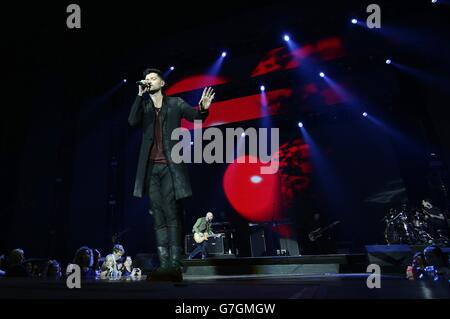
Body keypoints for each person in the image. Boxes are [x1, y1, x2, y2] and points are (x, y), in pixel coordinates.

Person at [128, 68, 214, 281]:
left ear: (162, 83)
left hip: (170, 167)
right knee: (158, 217)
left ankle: (175, 265)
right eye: (146, 79)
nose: (148, 81)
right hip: (150, 169)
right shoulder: (145, 106)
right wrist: (139, 95)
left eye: (153, 78)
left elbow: (195, 116)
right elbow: (132, 120)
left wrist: (202, 109)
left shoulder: (175, 103)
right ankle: (164, 265)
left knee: (171, 215)